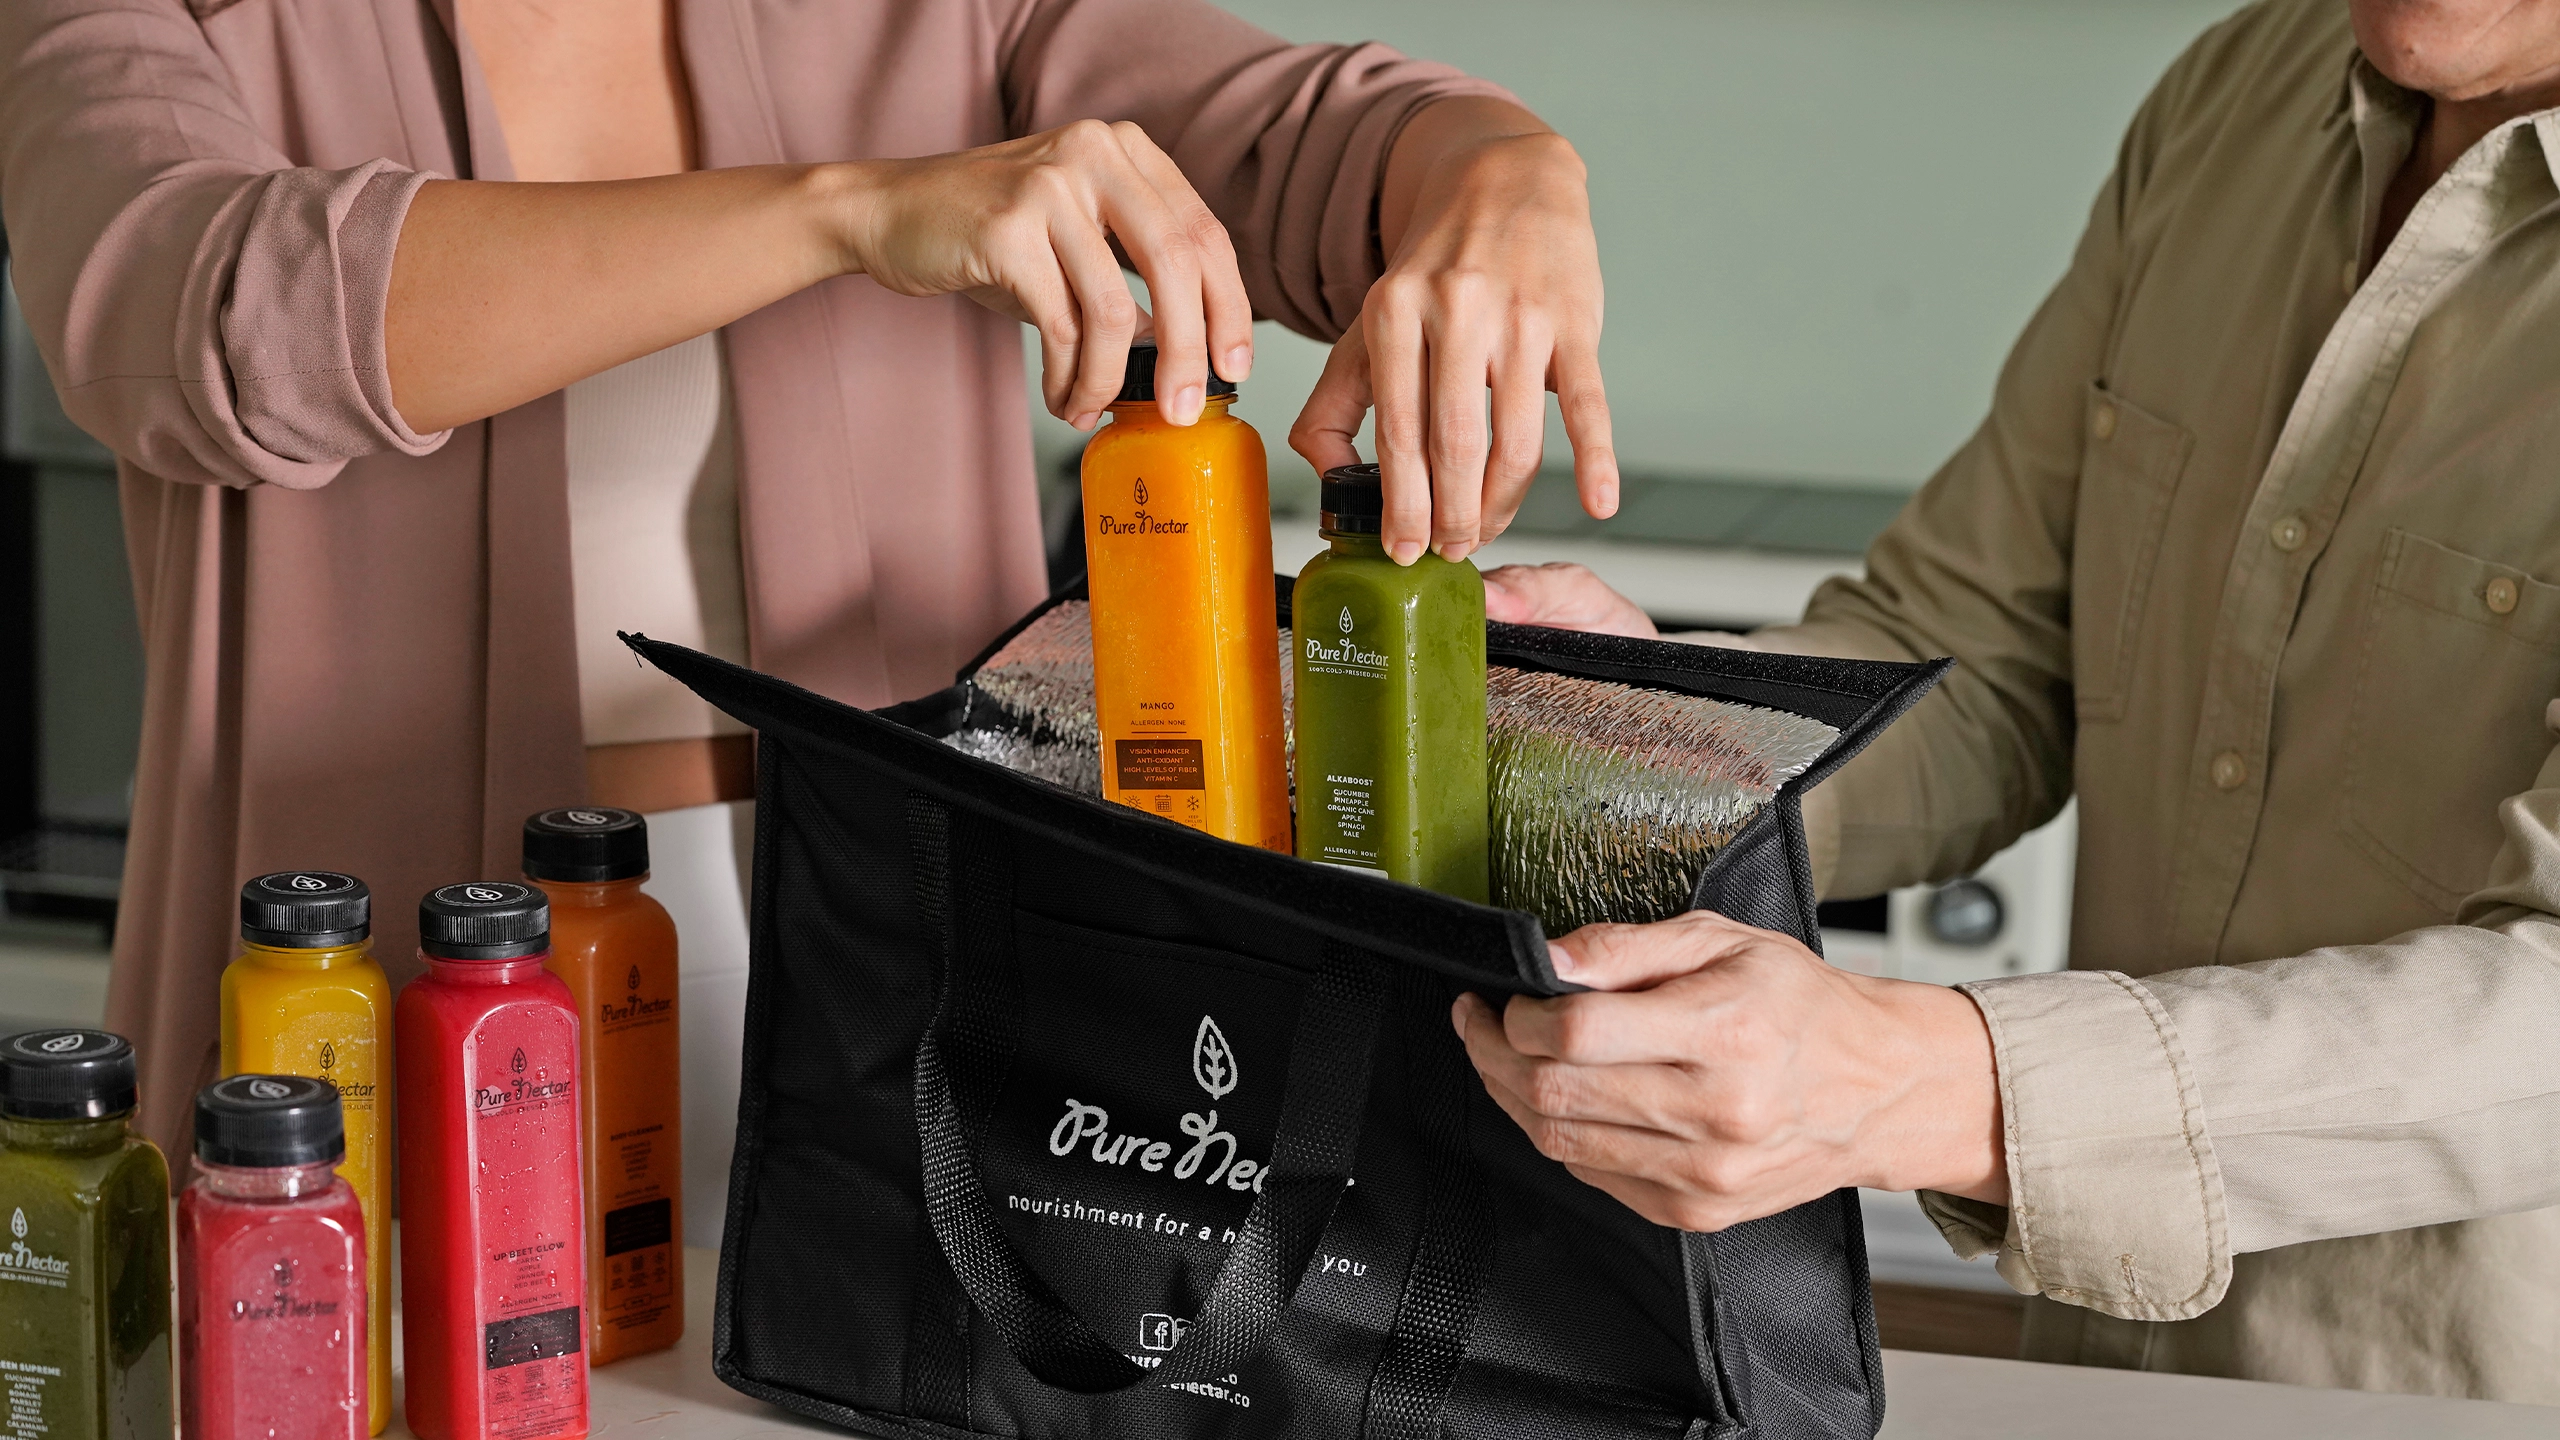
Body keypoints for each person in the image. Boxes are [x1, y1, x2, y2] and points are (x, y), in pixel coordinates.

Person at [0, 0, 1616, 1219]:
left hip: (916, 964)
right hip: (396, 984)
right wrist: (847, 212)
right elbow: (200, 312)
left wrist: (1508, 173)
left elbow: (1315, 142)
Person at [1466, 0, 2560, 1405]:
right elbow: (1986, 650)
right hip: (2095, 1368)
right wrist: (1657, 744)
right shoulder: (2241, 91)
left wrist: (1923, 1083)